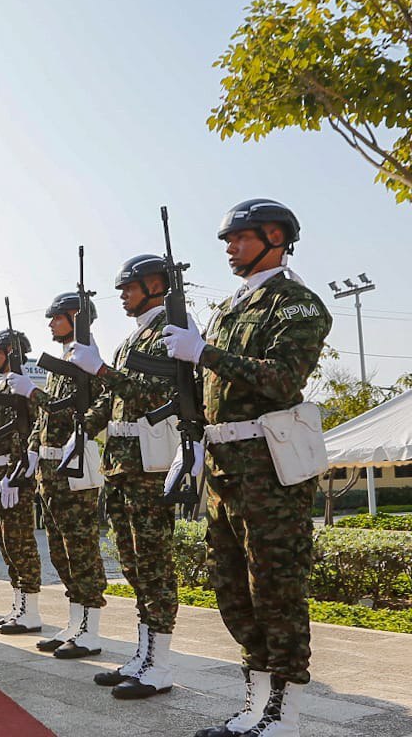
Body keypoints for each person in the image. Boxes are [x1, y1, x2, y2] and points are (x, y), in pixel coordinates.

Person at [164, 200, 330, 737]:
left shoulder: (297, 303)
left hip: (268, 469)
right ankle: (257, 705)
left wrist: (205, 352)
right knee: (232, 590)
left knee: (275, 590)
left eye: (238, 238)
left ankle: (287, 714)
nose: (230, 248)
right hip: (223, 467)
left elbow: (282, 379)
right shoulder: (233, 305)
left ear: (274, 236)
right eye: (227, 240)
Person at [65, 254, 180, 699]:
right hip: (121, 467)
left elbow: (158, 394)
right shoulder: (133, 339)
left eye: (129, 286)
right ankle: (144, 654)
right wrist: (84, 429)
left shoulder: (170, 330)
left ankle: (162, 663)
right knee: (133, 564)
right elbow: (115, 398)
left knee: (155, 566)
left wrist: (101, 370)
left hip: (148, 467)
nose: (122, 295)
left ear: (155, 284)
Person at [23, 295, 108, 655]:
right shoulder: (67, 361)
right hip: (51, 471)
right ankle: (74, 622)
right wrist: (31, 448)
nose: (50, 324)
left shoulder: (88, 360)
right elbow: (47, 420)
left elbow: (84, 409)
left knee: (81, 549)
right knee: (61, 550)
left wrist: (34, 394)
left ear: (75, 317)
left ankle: (90, 629)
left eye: (56, 317)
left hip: (73, 469)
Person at [0, 329, 44, 635]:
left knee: (21, 543)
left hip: (15, 475)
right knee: (6, 544)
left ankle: (32, 610)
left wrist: (18, 473)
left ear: (12, 352)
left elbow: (36, 425)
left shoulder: (21, 386)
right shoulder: (1, 384)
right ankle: (18, 605)